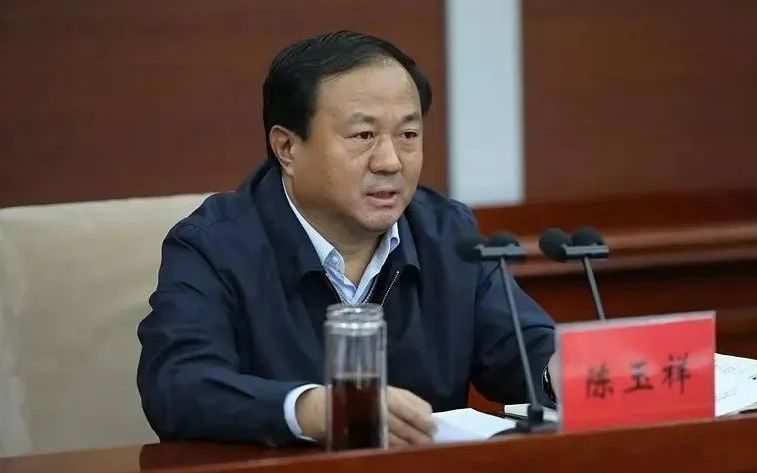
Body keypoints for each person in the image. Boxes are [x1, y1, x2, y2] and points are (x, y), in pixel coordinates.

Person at [137, 30, 556, 448]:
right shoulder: (213, 246)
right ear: (287, 148)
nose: (390, 162)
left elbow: (525, 351)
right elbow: (177, 385)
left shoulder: (447, 233)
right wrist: (315, 410)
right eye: (363, 136)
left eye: (408, 135)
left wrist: (562, 370)